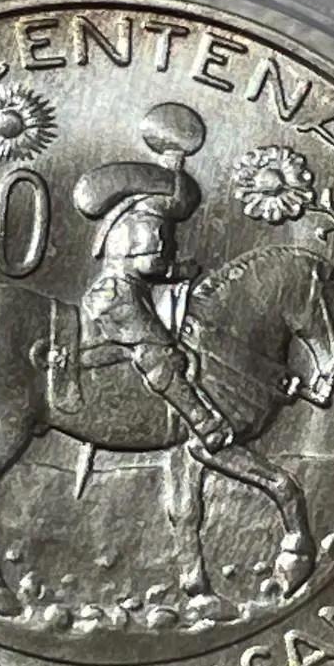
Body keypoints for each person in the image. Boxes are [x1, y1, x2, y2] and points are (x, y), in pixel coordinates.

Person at [73, 143, 235, 455]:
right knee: (160, 354)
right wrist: (180, 270)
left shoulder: (134, 215)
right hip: (119, 295)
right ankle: (203, 424)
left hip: (124, 291)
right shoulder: (147, 217)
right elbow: (149, 264)